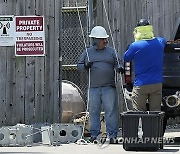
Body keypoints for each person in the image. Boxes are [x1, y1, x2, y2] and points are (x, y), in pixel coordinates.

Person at [77, 26, 124, 144]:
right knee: (93, 112)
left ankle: (112, 135)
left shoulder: (111, 51)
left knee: (111, 111)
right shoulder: (87, 52)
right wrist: (86, 66)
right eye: (103, 39)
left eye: (106, 39)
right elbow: (79, 66)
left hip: (109, 87)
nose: (105, 41)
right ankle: (94, 135)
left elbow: (119, 64)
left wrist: (119, 68)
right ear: (96, 40)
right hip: (93, 88)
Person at [123, 19, 166, 111]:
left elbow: (126, 58)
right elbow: (163, 39)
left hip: (141, 84)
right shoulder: (160, 42)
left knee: (138, 111)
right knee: (156, 112)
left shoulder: (135, 46)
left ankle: (142, 126)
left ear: (137, 31)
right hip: (157, 83)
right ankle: (154, 126)